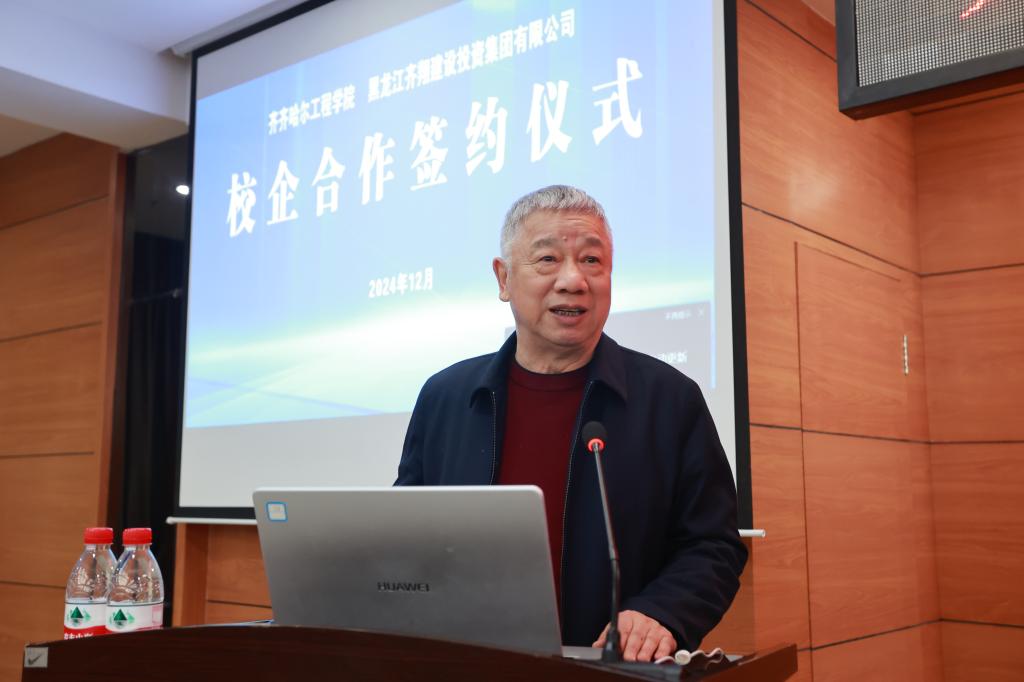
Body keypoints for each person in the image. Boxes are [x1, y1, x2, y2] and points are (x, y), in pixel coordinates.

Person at [395, 185, 747, 662]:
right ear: (503, 278)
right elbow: (406, 537)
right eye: (547, 259)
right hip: (467, 664)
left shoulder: (669, 399)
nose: (573, 280)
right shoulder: (447, 398)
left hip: (610, 668)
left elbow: (713, 545)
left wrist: (661, 612)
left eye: (591, 261)